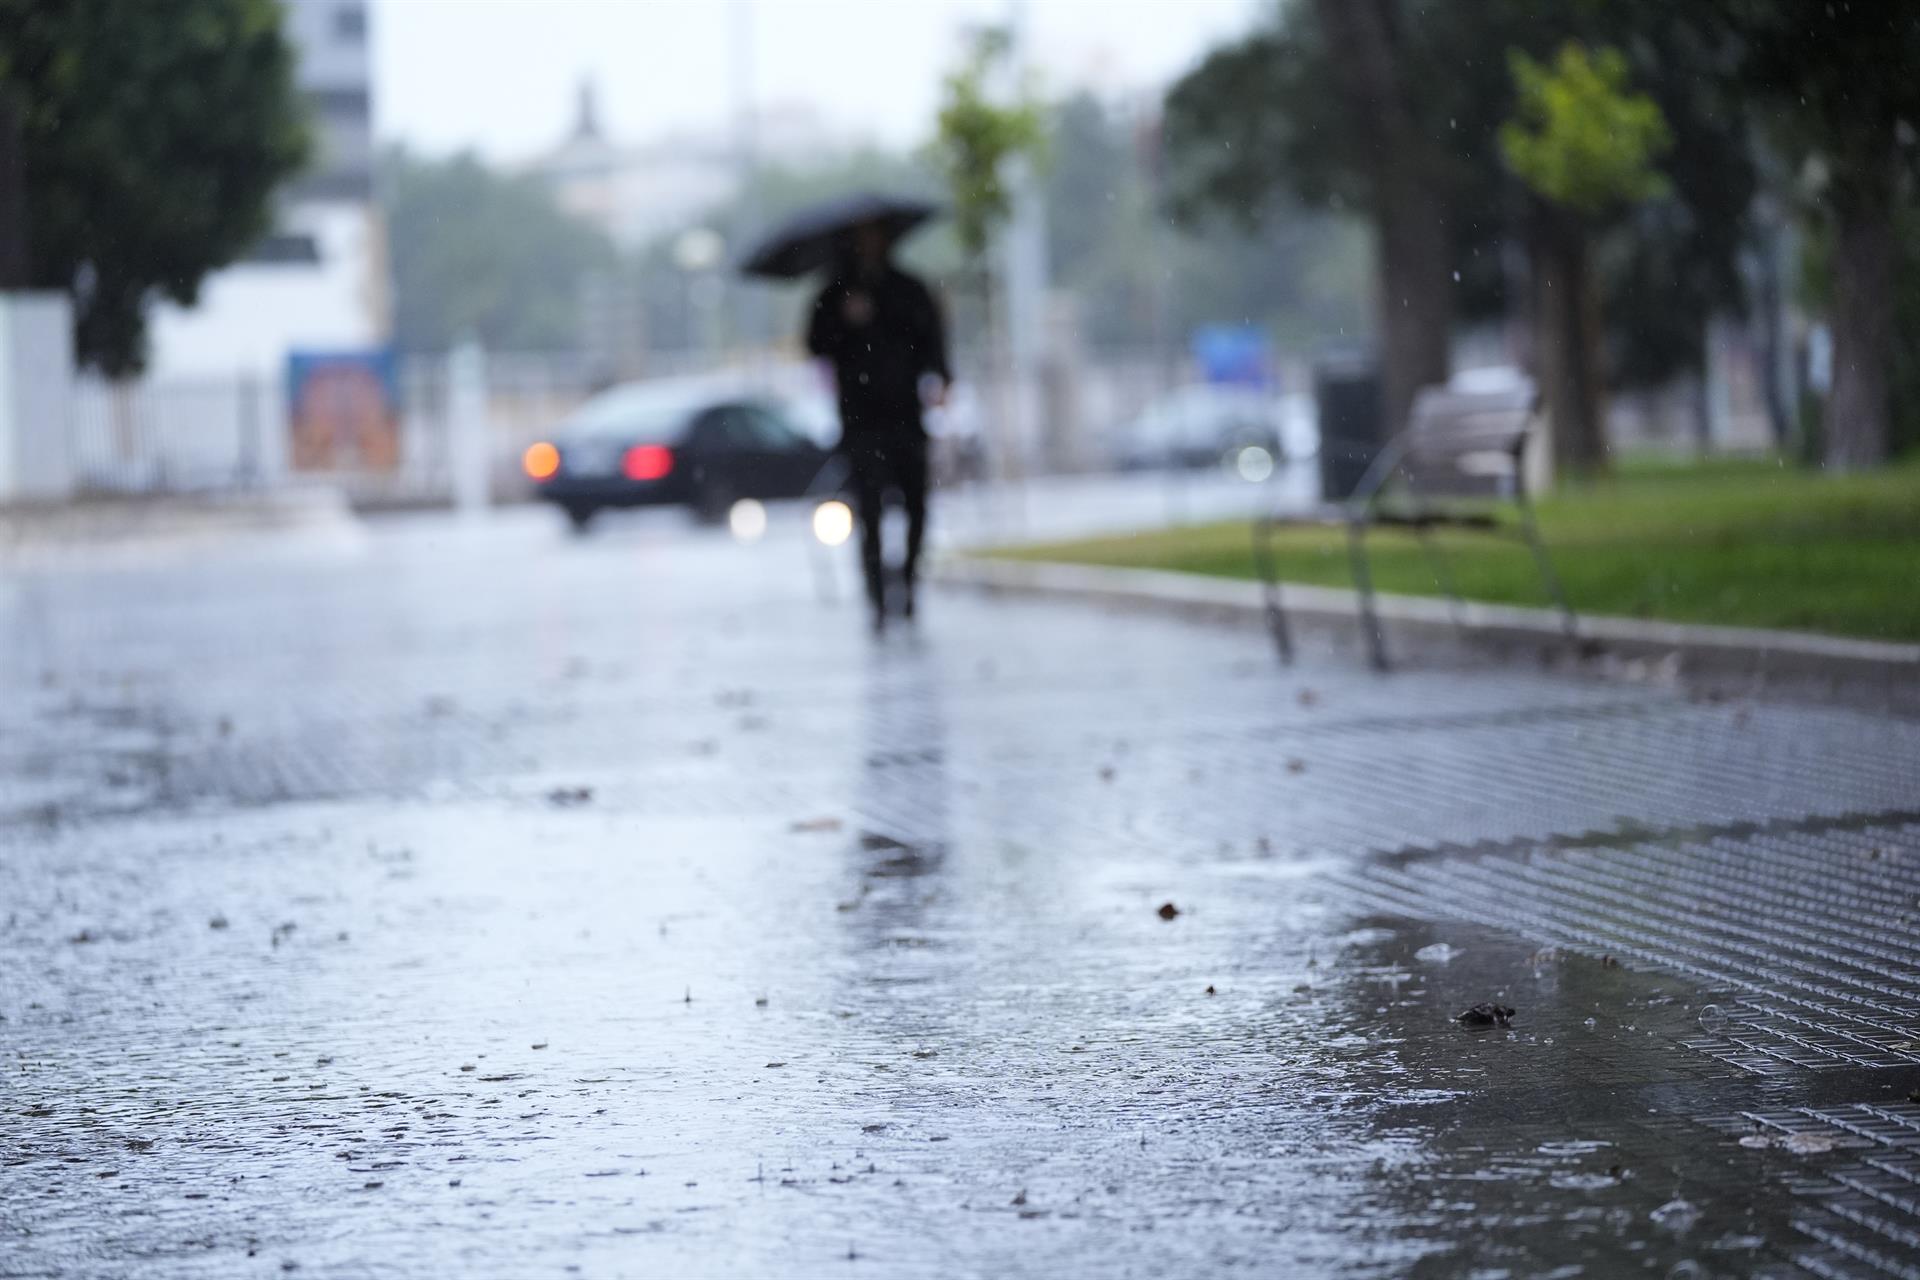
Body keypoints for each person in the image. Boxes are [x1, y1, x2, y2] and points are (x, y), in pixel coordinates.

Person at [806, 221, 951, 629]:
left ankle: (908, 583)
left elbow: (931, 341)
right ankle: (876, 595)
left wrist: (941, 376)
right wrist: (844, 319)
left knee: (916, 506)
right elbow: (816, 343)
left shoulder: (908, 288)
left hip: (905, 414)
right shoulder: (835, 292)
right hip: (860, 419)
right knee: (868, 509)